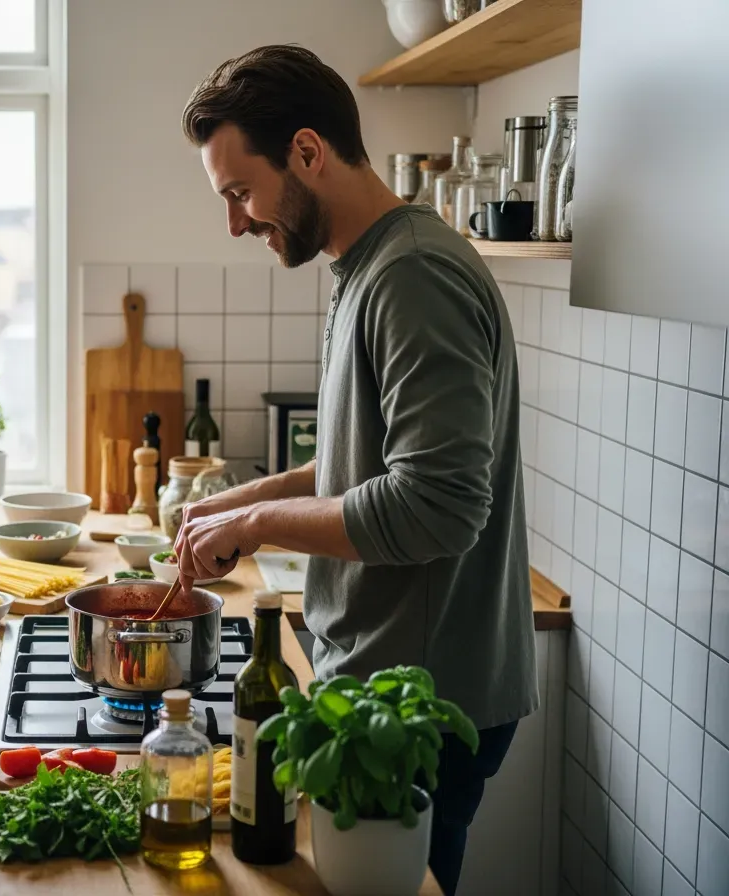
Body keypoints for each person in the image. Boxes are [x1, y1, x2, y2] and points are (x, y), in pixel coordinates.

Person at [175, 46, 536, 893]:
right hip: (382, 683)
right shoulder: (367, 264)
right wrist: (246, 496)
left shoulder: (413, 275)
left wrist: (255, 526)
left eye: (239, 192)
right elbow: (361, 457)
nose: (236, 221)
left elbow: (437, 505)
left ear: (307, 152)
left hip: (422, 704)